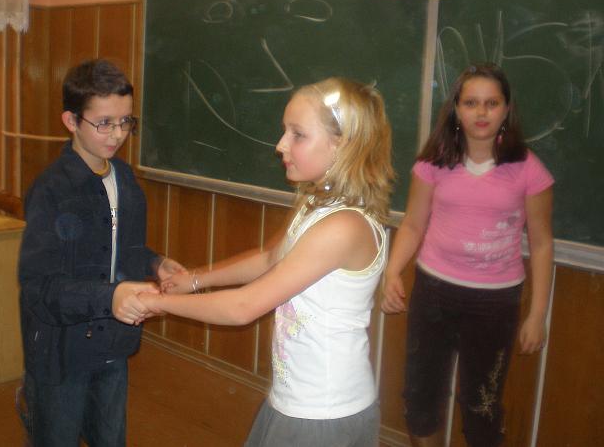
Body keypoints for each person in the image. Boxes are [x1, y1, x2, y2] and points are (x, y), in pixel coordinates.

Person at [138, 77, 396, 447]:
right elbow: (269, 258)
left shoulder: (344, 226)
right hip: (296, 399)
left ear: (342, 145)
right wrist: (194, 279)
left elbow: (244, 307)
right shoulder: (315, 205)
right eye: (285, 131)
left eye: (297, 134)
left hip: (324, 412)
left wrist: (156, 303)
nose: (281, 145)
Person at [381, 63, 554, 447]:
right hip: (434, 293)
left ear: (506, 109)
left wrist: (538, 314)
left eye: (492, 103)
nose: (481, 112)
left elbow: (542, 244)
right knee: (420, 397)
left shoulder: (528, 169)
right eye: (471, 102)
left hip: (495, 302)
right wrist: (392, 272)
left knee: (482, 405)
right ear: (456, 109)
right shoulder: (433, 163)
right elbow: (413, 224)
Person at [18, 59, 184, 447]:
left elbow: (124, 249)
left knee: (110, 437)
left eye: (126, 122)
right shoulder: (51, 190)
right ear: (71, 121)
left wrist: (156, 263)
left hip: (112, 342)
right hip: (61, 350)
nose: (118, 134)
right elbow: (39, 287)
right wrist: (110, 296)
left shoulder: (124, 179)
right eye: (104, 123)